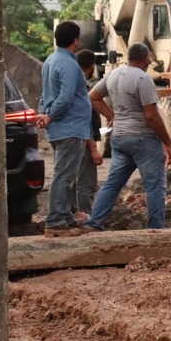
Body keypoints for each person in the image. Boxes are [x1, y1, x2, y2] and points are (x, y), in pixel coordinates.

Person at [85, 43, 171, 231]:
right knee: (155, 187)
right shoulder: (144, 79)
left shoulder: (113, 74)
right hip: (143, 139)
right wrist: (168, 143)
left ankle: (94, 223)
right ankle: (156, 229)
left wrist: (112, 116)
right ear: (146, 59)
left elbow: (92, 97)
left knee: (113, 183)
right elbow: (151, 116)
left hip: (119, 137)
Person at [37, 21, 93, 236]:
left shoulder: (50, 61)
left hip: (59, 127)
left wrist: (44, 114)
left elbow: (46, 94)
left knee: (65, 173)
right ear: (76, 40)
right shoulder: (69, 65)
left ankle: (66, 217)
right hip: (70, 127)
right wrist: (50, 116)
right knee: (65, 175)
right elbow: (66, 97)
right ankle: (57, 220)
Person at [74, 48, 104, 217]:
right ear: (92, 67)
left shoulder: (74, 85)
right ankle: (85, 217)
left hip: (76, 140)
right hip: (84, 142)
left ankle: (76, 214)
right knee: (86, 184)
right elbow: (82, 121)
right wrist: (92, 148)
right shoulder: (81, 90)